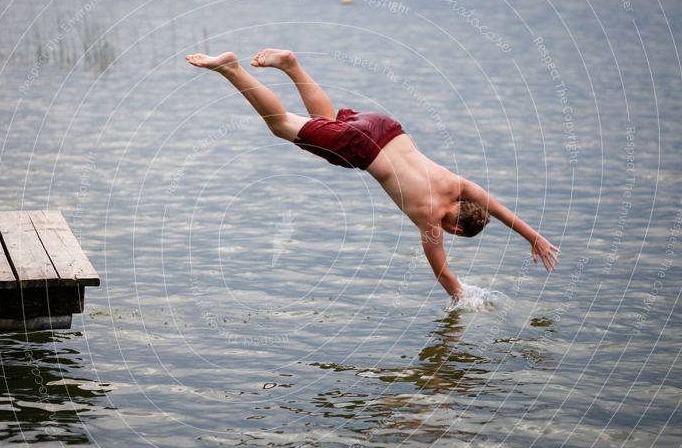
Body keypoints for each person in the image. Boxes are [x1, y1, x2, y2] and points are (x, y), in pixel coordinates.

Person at [185, 49, 559, 300]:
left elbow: (498, 208)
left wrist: (535, 236)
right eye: (452, 234)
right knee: (281, 125)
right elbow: (443, 272)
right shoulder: (430, 220)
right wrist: (464, 300)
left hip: (386, 126)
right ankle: (231, 68)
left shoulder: (458, 184)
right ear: (456, 228)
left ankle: (291, 64)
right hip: (362, 147)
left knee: (325, 123)